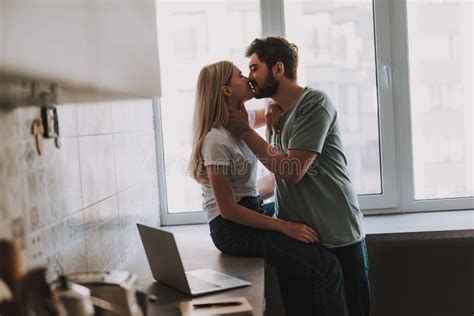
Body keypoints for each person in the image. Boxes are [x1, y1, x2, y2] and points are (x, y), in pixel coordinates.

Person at [224, 37, 371, 316]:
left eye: (254, 68)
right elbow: (275, 181)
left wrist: (245, 131)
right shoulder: (276, 115)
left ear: (278, 69)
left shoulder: (315, 103)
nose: (250, 77)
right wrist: (235, 200)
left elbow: (291, 171)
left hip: (337, 237)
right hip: (299, 241)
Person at [189, 60, 348, 316]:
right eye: (240, 75)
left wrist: (273, 104)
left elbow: (279, 109)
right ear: (226, 90)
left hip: (250, 209)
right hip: (231, 228)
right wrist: (286, 227)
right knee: (326, 268)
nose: (247, 78)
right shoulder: (216, 140)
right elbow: (228, 210)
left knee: (300, 214)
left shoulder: (241, 120)